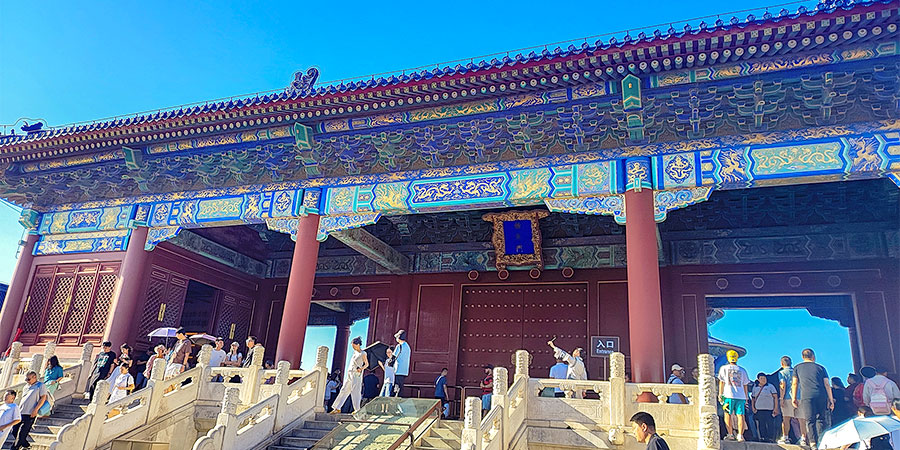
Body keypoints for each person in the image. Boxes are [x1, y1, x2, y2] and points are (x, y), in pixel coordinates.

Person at [791, 348, 834, 448]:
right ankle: (821, 441)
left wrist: (794, 398)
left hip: (806, 395)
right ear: (813, 356)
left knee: (810, 419)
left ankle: (812, 442)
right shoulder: (821, 368)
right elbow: (827, 384)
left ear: (803, 357)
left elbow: (794, 383)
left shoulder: (797, 368)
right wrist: (831, 399)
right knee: (821, 419)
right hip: (821, 394)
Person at [718, 349, 751, 441]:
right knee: (741, 415)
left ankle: (730, 434)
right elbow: (745, 385)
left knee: (727, 414)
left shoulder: (724, 368)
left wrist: (720, 394)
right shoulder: (742, 370)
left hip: (728, 395)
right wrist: (746, 397)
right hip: (741, 396)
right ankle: (740, 434)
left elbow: (722, 382)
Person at [330, 337, 369, 414]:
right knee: (344, 389)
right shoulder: (354, 353)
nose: (353, 347)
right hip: (350, 372)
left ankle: (357, 409)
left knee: (355, 391)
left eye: (354, 345)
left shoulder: (363, 353)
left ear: (358, 344)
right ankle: (337, 408)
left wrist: (361, 369)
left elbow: (367, 364)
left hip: (356, 373)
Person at [11, 371, 47, 450]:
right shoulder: (26, 387)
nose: (27, 381)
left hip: (30, 413)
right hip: (21, 412)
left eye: (28, 379)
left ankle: (15, 448)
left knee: (21, 434)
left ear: (34, 377)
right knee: (14, 431)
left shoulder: (40, 386)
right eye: (26, 379)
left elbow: (43, 397)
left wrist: (36, 409)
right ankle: (26, 445)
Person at [777, 355, 801, 445]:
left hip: (788, 397)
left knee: (786, 418)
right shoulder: (796, 372)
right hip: (799, 397)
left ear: (781, 363)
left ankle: (785, 437)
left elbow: (782, 385)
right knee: (800, 419)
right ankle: (803, 438)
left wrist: (781, 398)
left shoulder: (782, 373)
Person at [751, 372, 779, 442]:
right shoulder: (755, 387)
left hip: (769, 409)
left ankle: (770, 438)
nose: (763, 380)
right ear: (758, 379)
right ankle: (762, 437)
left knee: (770, 424)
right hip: (759, 409)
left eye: (764, 378)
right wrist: (753, 408)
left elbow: (775, 397)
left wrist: (776, 408)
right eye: (761, 378)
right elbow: (753, 398)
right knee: (761, 424)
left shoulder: (770, 386)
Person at [392, 330, 411, 397]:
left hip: (398, 369)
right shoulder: (408, 347)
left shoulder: (399, 346)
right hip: (405, 370)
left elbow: (393, 357)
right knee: (401, 387)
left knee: (396, 387)